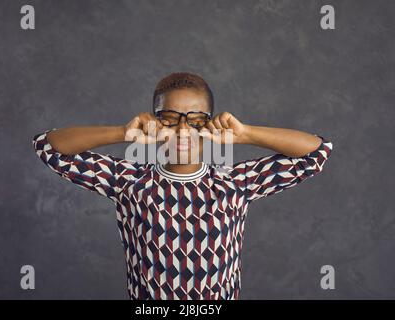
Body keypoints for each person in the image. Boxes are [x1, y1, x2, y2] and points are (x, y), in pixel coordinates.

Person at [32, 72, 333, 300]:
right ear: (154, 122)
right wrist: (123, 132)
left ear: (212, 123)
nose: (183, 130)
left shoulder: (235, 183)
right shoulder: (129, 182)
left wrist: (246, 134)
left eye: (197, 120)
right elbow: (49, 147)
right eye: (170, 118)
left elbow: (317, 152)